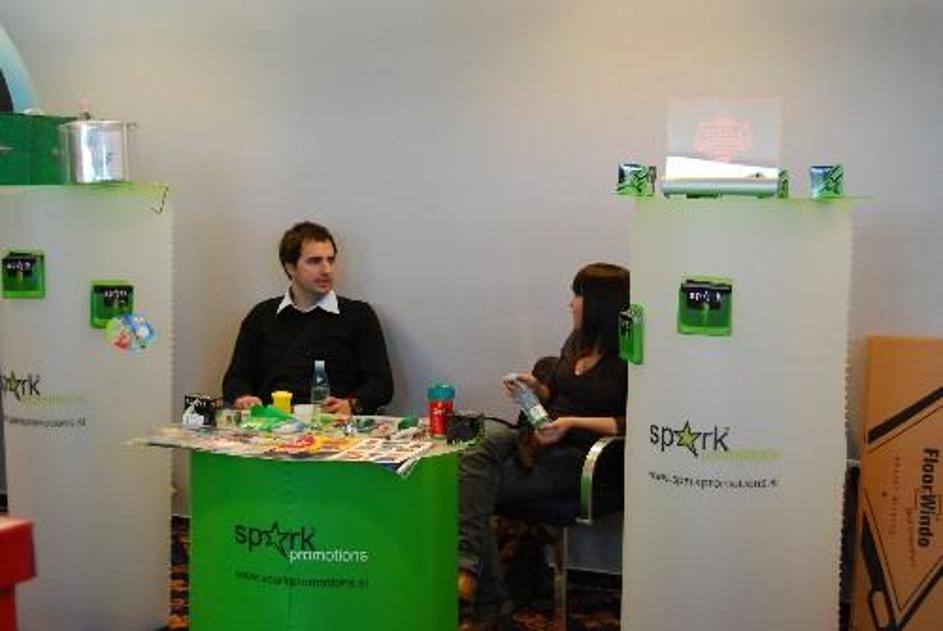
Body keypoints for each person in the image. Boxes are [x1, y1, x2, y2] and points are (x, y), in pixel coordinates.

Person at [457, 262, 630, 630]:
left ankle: (481, 593)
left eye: (577, 295)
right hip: (539, 436)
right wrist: (537, 389)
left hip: (584, 456)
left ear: (600, 305)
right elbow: (559, 393)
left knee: (473, 487)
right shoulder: (577, 341)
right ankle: (474, 582)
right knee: (475, 442)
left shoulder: (630, 359)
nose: (570, 303)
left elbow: (634, 421)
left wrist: (573, 423)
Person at [222, 221, 393, 415]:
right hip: (272, 422)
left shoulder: (358, 315)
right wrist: (244, 398)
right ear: (290, 267)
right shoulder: (261, 316)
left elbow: (382, 385)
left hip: (334, 423)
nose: (326, 270)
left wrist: (352, 404)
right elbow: (235, 379)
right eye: (314, 261)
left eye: (330, 260)